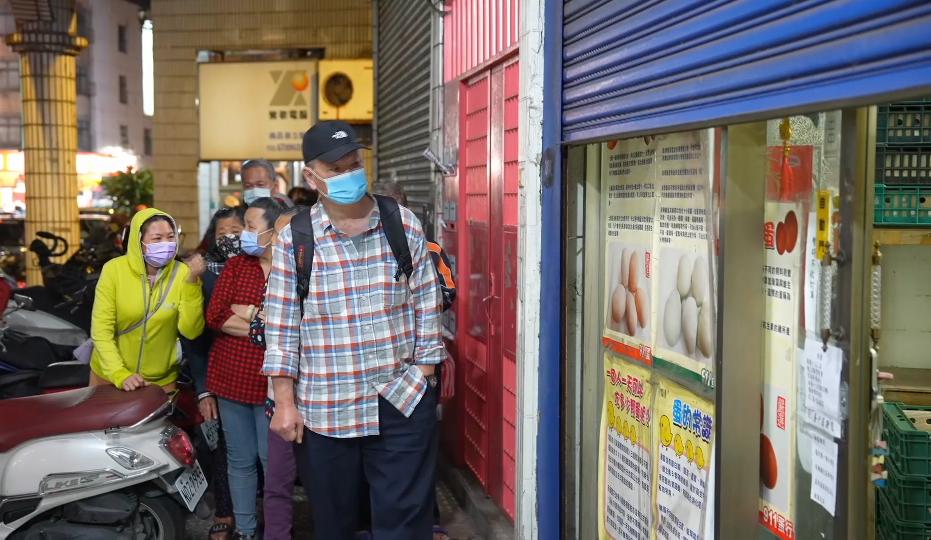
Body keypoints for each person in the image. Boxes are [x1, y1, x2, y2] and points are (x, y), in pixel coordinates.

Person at [263, 120, 445, 540]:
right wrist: (285, 402)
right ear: (311, 177)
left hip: (400, 398)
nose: (350, 175)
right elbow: (282, 324)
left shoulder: (400, 222)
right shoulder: (297, 239)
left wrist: (426, 373)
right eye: (336, 169)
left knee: (405, 523)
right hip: (326, 408)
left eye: (354, 163)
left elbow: (426, 301)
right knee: (335, 524)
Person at [206, 197, 285, 540]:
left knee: (273, 463)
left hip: (275, 383)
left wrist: (244, 314)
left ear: (274, 230)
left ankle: (275, 529)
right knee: (240, 461)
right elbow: (216, 316)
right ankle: (246, 531)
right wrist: (259, 319)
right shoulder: (237, 266)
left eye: (251, 228)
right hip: (231, 377)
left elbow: (290, 325)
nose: (245, 236)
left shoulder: (292, 267)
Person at [89, 208, 205, 391]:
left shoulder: (183, 273)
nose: (166, 244)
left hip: (161, 382)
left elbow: (191, 331)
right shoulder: (114, 271)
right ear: (139, 241)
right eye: (157, 239)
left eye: (170, 237)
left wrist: (192, 283)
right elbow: (101, 331)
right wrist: (120, 374)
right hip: (109, 377)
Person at [183, 206, 245, 540]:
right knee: (220, 447)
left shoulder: (263, 267)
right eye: (223, 234)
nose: (231, 238)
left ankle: (252, 511)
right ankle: (225, 512)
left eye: (237, 230)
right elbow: (193, 340)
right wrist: (204, 389)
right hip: (217, 374)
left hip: (260, 374)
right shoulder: (204, 274)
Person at [262, 207, 301, 540]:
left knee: (334, 486)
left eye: (287, 231)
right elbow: (259, 333)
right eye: (276, 232)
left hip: (325, 403)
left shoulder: (323, 273)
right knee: (277, 484)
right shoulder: (273, 280)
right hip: (279, 402)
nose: (280, 239)